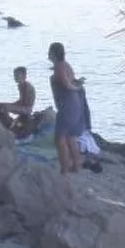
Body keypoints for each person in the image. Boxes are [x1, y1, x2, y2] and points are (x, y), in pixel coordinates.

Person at [47, 41, 85, 174]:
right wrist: (78, 84)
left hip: (67, 108)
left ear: (53, 53)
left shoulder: (59, 68)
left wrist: (77, 87)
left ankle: (64, 170)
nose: (47, 54)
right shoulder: (66, 65)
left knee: (59, 139)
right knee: (70, 137)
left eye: (49, 51)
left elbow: (68, 85)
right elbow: (72, 81)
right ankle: (77, 165)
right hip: (75, 106)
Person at [0, 66, 38, 134]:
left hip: (26, 108)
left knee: (5, 107)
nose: (15, 77)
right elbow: (20, 100)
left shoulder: (27, 86)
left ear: (24, 76)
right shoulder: (20, 86)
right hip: (22, 105)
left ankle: (9, 125)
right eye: (14, 75)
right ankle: (0, 121)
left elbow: (25, 102)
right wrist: (12, 104)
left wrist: (11, 105)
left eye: (17, 75)